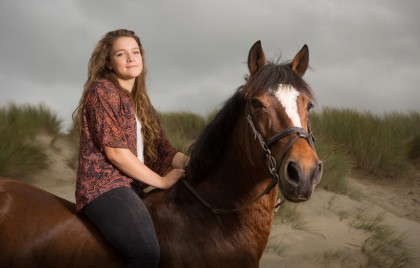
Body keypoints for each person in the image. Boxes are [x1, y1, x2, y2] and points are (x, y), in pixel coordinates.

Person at [73, 29, 188, 268]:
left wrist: (195, 164)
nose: (130, 58)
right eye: (121, 54)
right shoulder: (102, 92)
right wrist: (162, 181)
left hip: (132, 187)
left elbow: (164, 151)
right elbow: (116, 152)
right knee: (145, 252)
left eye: (135, 52)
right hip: (104, 187)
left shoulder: (141, 103)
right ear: (108, 62)